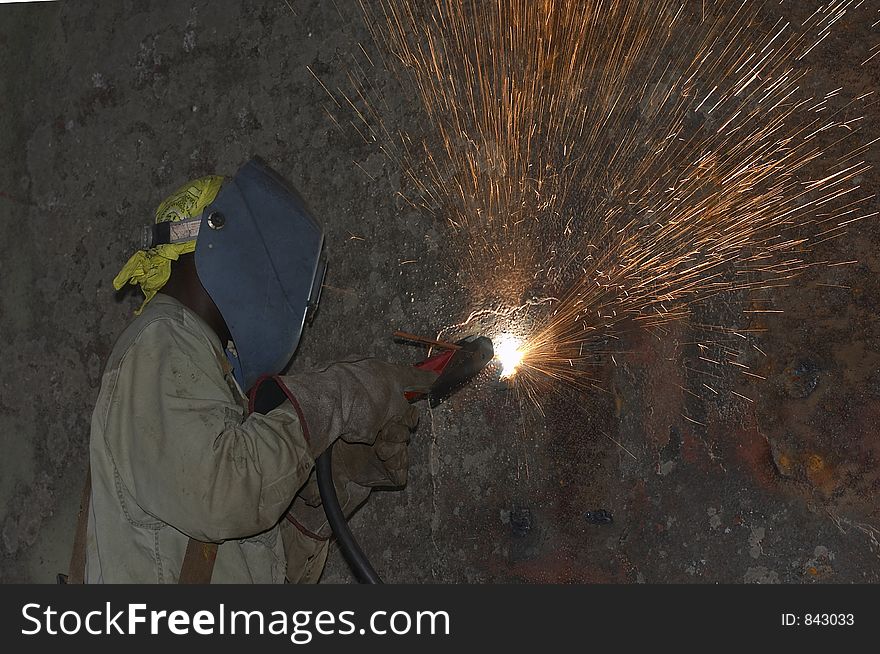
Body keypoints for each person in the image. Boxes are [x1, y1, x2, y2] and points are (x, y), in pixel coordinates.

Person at [77, 160, 435, 583]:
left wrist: (324, 489)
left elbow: (233, 556)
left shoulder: (206, 377)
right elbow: (221, 494)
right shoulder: (162, 341)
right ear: (219, 236)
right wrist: (337, 397)